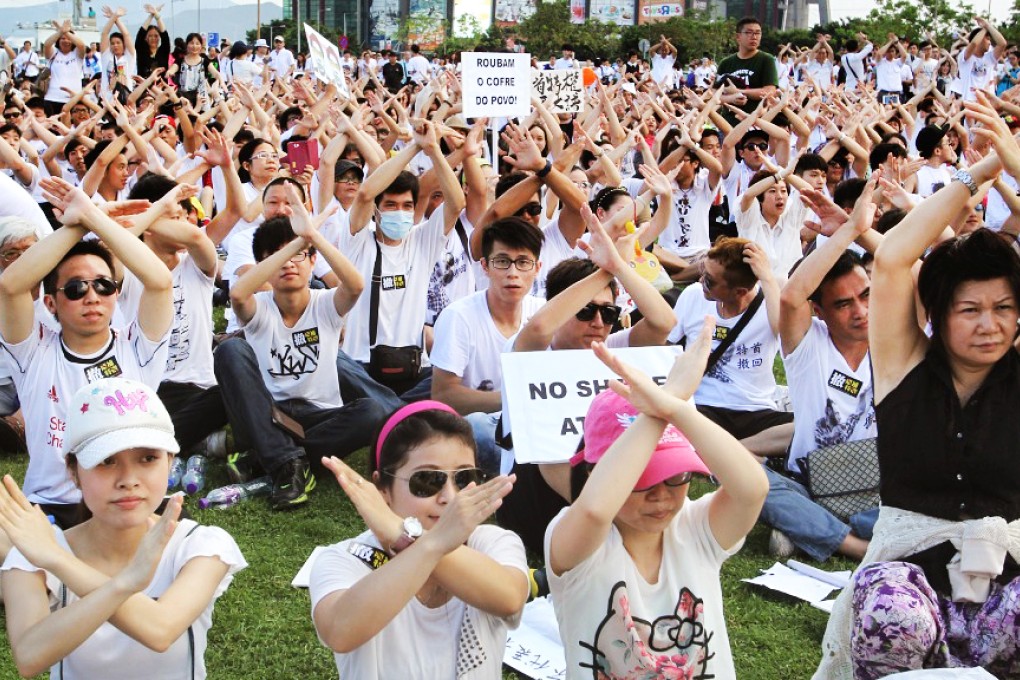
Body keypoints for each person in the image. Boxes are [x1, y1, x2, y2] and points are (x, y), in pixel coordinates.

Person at [816, 95, 1020, 678]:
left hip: (1008, 575)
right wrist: (977, 174)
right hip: (908, 574)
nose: (990, 325)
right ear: (937, 314)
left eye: (1004, 308)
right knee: (894, 617)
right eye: (971, 310)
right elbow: (895, 258)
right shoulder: (905, 363)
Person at [545, 320, 768, 678]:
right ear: (595, 473)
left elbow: (751, 489)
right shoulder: (580, 541)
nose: (661, 495)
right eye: (641, 479)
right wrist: (664, 406)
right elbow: (594, 509)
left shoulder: (696, 529)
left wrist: (675, 408)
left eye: (676, 476)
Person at [0, 378, 246, 679]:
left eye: (148, 458)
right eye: (106, 461)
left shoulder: (200, 546)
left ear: (170, 462)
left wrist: (58, 560)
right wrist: (122, 582)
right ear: (73, 472)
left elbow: (160, 630)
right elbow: (29, 656)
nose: (128, 479)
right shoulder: (36, 554)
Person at [309, 401, 528, 678]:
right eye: (427, 481)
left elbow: (509, 598)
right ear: (382, 488)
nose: (450, 497)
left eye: (463, 479)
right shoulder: (345, 558)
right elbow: (339, 632)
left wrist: (405, 535)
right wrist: (429, 542)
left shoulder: (492, 542)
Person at [0, 177, 172, 528]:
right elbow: (10, 284)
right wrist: (77, 225)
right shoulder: (34, 351)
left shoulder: (137, 347)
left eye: (103, 285)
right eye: (76, 288)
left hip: (126, 503)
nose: (92, 296)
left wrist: (93, 217)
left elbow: (159, 281)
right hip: (51, 505)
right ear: (50, 302)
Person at [214, 185, 387, 510]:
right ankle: (288, 464)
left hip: (319, 417)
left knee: (371, 411)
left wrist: (312, 236)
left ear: (312, 262)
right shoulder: (259, 305)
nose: (289, 264)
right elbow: (237, 294)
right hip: (267, 415)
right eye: (278, 257)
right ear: (264, 263)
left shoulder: (325, 304)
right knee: (230, 351)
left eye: (299, 255)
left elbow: (356, 284)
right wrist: (295, 243)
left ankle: (273, 460)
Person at [764, 180, 883, 562]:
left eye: (866, 296)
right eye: (845, 304)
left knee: (913, 508)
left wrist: (860, 231)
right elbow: (790, 295)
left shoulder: (892, 339)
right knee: (753, 483)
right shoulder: (807, 343)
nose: (861, 311)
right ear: (820, 311)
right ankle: (855, 546)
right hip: (809, 480)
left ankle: (807, 528)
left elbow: (921, 276)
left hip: (873, 488)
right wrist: (848, 231)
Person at [715, 17, 777, 122]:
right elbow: (714, 94)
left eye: (758, 33)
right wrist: (732, 98)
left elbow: (770, 92)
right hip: (729, 122)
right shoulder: (726, 63)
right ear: (738, 36)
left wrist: (739, 91)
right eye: (749, 32)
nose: (754, 37)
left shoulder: (766, 60)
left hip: (757, 122)